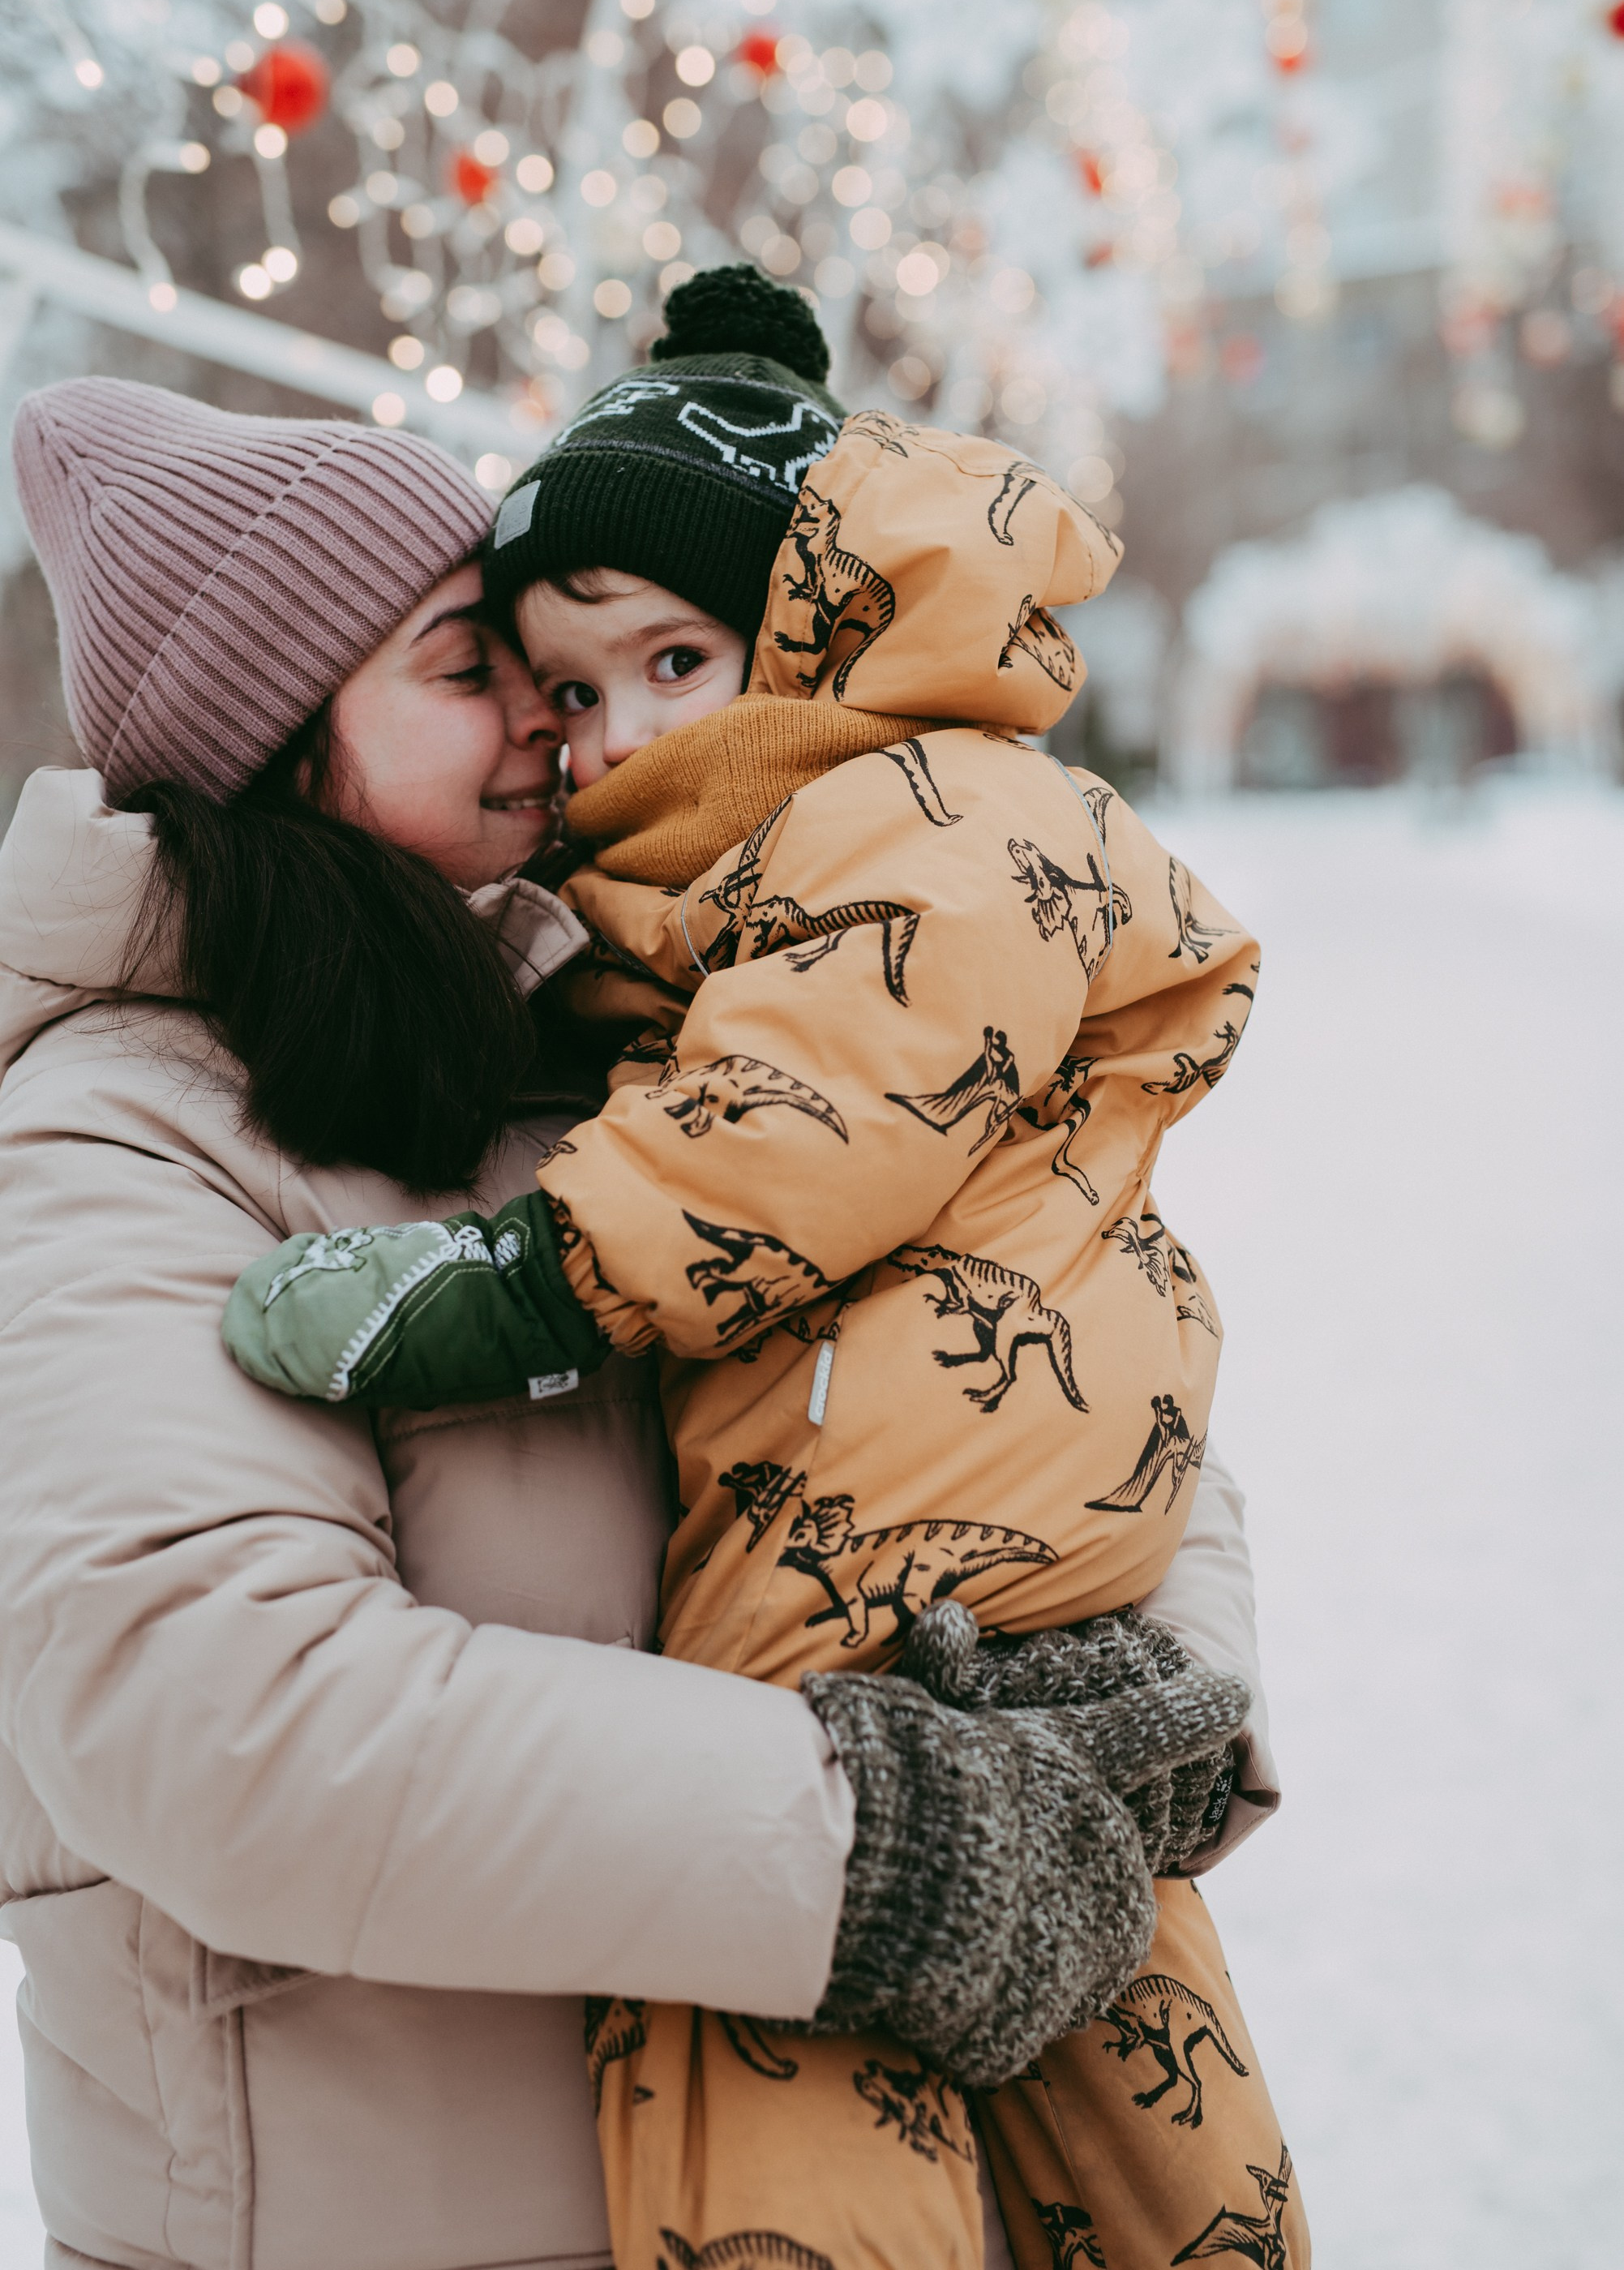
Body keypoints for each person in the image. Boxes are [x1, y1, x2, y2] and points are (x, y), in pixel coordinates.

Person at [0, 374, 1278, 2270]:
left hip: (835, 2168)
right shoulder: (119, 1133)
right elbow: (217, 1711)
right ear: (282, 746)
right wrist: (877, 1848)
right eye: (467, 667)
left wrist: (1152, 1679)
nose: (549, 713)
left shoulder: (622, 1024)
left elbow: (1056, 1309)